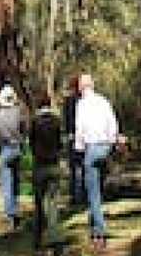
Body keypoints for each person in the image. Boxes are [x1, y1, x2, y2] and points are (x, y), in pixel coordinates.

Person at [74, 73, 119, 251]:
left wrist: (78, 149)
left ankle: (100, 233)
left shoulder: (82, 104)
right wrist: (111, 142)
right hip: (105, 147)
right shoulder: (103, 101)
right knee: (97, 190)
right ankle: (94, 229)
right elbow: (113, 124)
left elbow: (80, 128)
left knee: (92, 193)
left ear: (81, 88)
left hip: (92, 148)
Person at [29, 91, 65, 250]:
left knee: (38, 203)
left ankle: (38, 239)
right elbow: (60, 143)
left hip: (40, 165)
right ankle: (55, 237)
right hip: (54, 164)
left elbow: (31, 142)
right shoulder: (57, 121)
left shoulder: (34, 121)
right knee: (53, 203)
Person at [0, 84, 26, 229]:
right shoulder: (18, 112)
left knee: (7, 184)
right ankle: (16, 208)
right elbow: (24, 129)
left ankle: (11, 214)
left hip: (5, 149)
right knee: (16, 181)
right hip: (17, 149)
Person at [62, 74, 84, 204]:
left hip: (73, 136)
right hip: (83, 135)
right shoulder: (83, 100)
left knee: (74, 167)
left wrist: (68, 133)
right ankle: (81, 194)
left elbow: (66, 120)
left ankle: (75, 195)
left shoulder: (68, 101)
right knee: (81, 166)